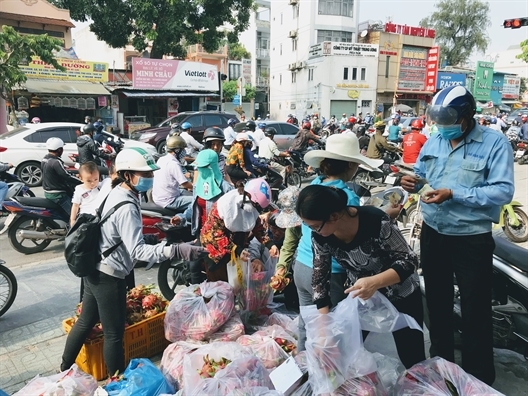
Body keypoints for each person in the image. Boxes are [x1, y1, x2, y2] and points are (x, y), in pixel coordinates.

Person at [400, 85, 514, 385]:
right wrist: (412, 183)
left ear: (467, 116)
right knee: (436, 305)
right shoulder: (434, 141)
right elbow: (421, 175)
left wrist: (455, 193)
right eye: (439, 121)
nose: (444, 127)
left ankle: (477, 381)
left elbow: (503, 190)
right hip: (434, 232)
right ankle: (442, 373)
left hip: (470, 239)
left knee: (476, 311)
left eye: (450, 120)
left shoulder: (495, 143)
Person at [60, 147, 206, 376]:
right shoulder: (127, 205)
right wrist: (176, 250)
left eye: (150, 174)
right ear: (128, 175)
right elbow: (138, 252)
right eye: (145, 174)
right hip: (108, 274)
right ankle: (117, 383)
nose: (150, 178)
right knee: (114, 334)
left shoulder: (113, 188)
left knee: (86, 321)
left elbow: (116, 232)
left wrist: (146, 238)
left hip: (94, 265)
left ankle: (63, 368)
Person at [272, 133, 384, 351]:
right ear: (352, 165)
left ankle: (305, 371)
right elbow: (355, 235)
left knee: (308, 324)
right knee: (332, 331)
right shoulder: (345, 198)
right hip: (329, 273)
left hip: (302, 267)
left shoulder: (312, 186)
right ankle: (330, 377)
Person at [295, 185, 425, 369]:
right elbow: (319, 280)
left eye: (316, 226)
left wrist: (375, 282)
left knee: (412, 357)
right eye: (309, 227)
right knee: (346, 353)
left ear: (334, 216)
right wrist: (324, 331)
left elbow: (409, 260)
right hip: (362, 298)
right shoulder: (321, 237)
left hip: (400, 291)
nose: (314, 231)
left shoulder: (375, 220)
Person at [200, 178, 279, 282]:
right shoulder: (224, 207)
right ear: (248, 196)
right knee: (220, 288)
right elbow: (215, 236)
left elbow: (258, 228)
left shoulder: (251, 207)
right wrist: (237, 250)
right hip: (217, 252)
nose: (257, 210)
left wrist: (270, 244)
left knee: (237, 285)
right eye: (256, 205)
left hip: (238, 250)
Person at [42, 138, 82, 220]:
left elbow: (55, 173)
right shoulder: (56, 162)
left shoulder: (45, 159)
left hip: (48, 192)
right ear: (59, 150)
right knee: (75, 215)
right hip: (58, 195)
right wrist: (81, 181)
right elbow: (66, 176)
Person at [152, 136, 193, 212]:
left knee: (184, 192)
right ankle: (183, 219)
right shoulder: (173, 163)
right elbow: (185, 184)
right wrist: (197, 187)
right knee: (197, 201)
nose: (184, 151)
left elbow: (168, 175)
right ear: (177, 150)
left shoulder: (162, 159)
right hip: (169, 201)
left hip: (159, 197)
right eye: (183, 149)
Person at [70, 162, 101, 226]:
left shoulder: (101, 186)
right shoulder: (79, 189)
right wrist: (72, 220)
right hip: (85, 218)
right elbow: (75, 205)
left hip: (98, 217)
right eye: (89, 181)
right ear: (81, 178)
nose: (93, 183)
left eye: (96, 179)